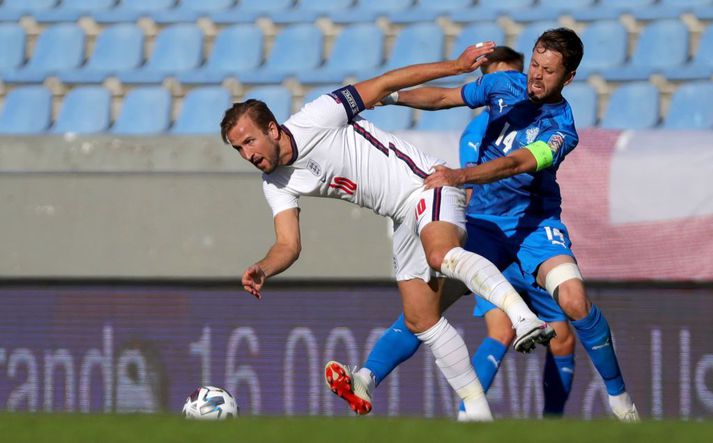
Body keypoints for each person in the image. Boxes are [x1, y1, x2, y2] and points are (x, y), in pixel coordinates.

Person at [222, 42, 555, 422]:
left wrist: (455, 65)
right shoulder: (275, 183)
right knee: (420, 320)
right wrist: (264, 268)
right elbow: (288, 245)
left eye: (250, 141)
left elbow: (385, 83)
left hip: (428, 185)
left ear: (271, 128)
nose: (248, 154)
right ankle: (477, 416)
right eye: (238, 149)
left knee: (439, 255)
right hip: (401, 215)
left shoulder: (318, 115)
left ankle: (523, 317)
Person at [326, 29, 639, 422]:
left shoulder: (562, 128)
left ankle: (621, 401)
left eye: (549, 71)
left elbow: (516, 164)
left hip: (534, 228)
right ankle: (366, 379)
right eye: (536, 66)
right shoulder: (503, 84)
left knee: (575, 302)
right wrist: (387, 97)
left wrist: (461, 176)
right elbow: (444, 97)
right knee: (424, 312)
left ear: (569, 78)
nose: (537, 77)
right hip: (484, 226)